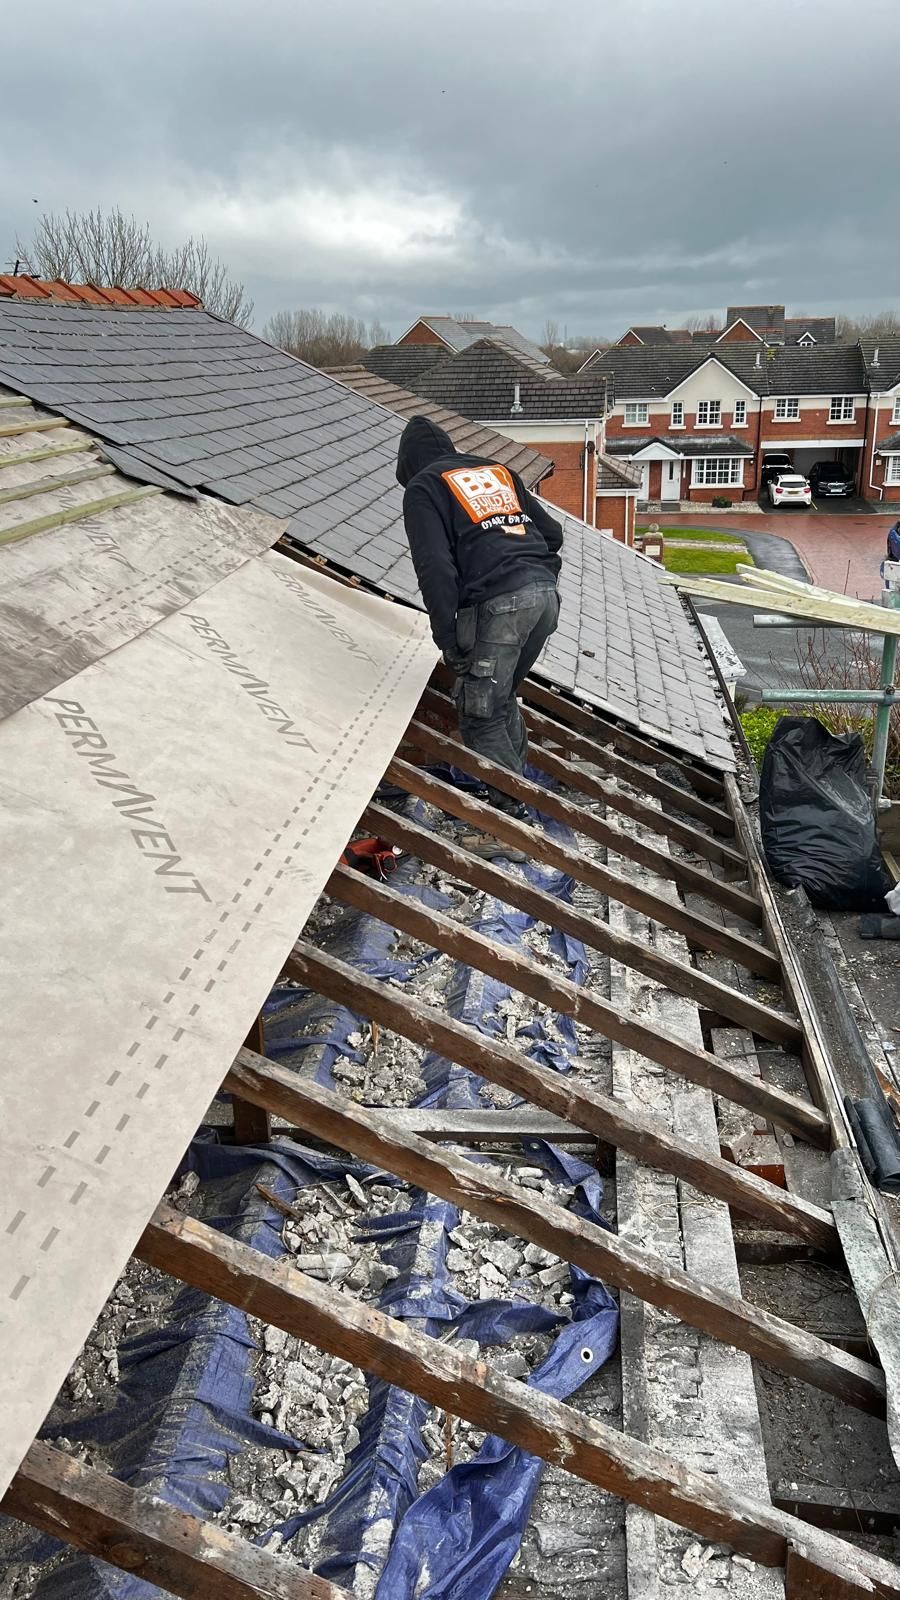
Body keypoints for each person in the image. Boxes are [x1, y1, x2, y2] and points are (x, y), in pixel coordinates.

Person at [396, 416, 563, 818]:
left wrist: (448, 638)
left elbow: (435, 568)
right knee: (498, 698)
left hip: (502, 606)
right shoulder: (496, 472)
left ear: (408, 464)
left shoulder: (425, 486)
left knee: (479, 710)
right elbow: (552, 534)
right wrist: (536, 576)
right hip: (544, 599)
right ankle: (519, 793)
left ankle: (511, 826)